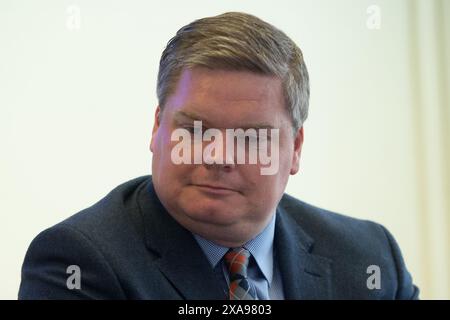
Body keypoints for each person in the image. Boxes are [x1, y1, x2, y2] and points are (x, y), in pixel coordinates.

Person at [18, 12, 419, 300]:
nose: (219, 156)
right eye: (195, 130)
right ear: (157, 127)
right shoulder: (78, 263)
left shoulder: (369, 258)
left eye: (251, 138)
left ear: (295, 149)